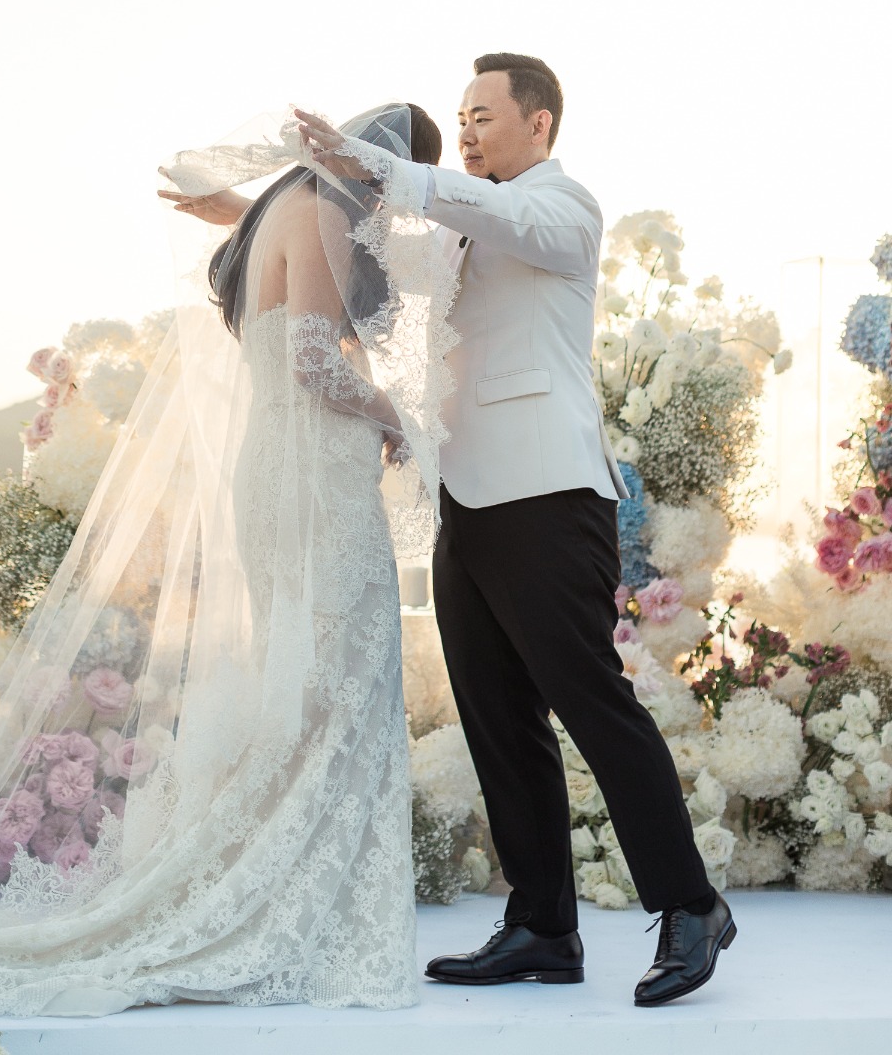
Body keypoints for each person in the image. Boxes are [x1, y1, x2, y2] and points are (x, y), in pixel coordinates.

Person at [0, 102, 451, 1018]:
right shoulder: (321, 211)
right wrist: (403, 422)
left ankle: (287, 878)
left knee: (304, 683)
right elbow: (315, 355)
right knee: (334, 684)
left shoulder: (287, 207)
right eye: (397, 186)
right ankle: (272, 895)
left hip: (283, 472)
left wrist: (237, 208)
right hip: (312, 478)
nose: (396, 208)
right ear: (382, 169)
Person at [295, 54, 737, 1010]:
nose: (465, 129)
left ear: (538, 124)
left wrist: (403, 177)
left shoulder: (562, 207)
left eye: (483, 115)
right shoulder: (463, 223)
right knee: (498, 716)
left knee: (591, 703)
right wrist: (277, 217)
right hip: (469, 495)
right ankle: (542, 924)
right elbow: (371, 263)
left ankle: (692, 906)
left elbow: (495, 214)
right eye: (459, 117)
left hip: (549, 495)